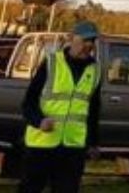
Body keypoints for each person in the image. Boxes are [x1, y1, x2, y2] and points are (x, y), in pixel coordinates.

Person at [17, 21, 101, 193]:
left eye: (92, 41)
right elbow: (28, 103)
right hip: (41, 144)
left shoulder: (95, 71)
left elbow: (93, 111)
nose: (89, 45)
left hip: (73, 147)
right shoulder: (52, 63)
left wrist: (93, 143)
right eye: (85, 40)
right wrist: (39, 121)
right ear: (71, 38)